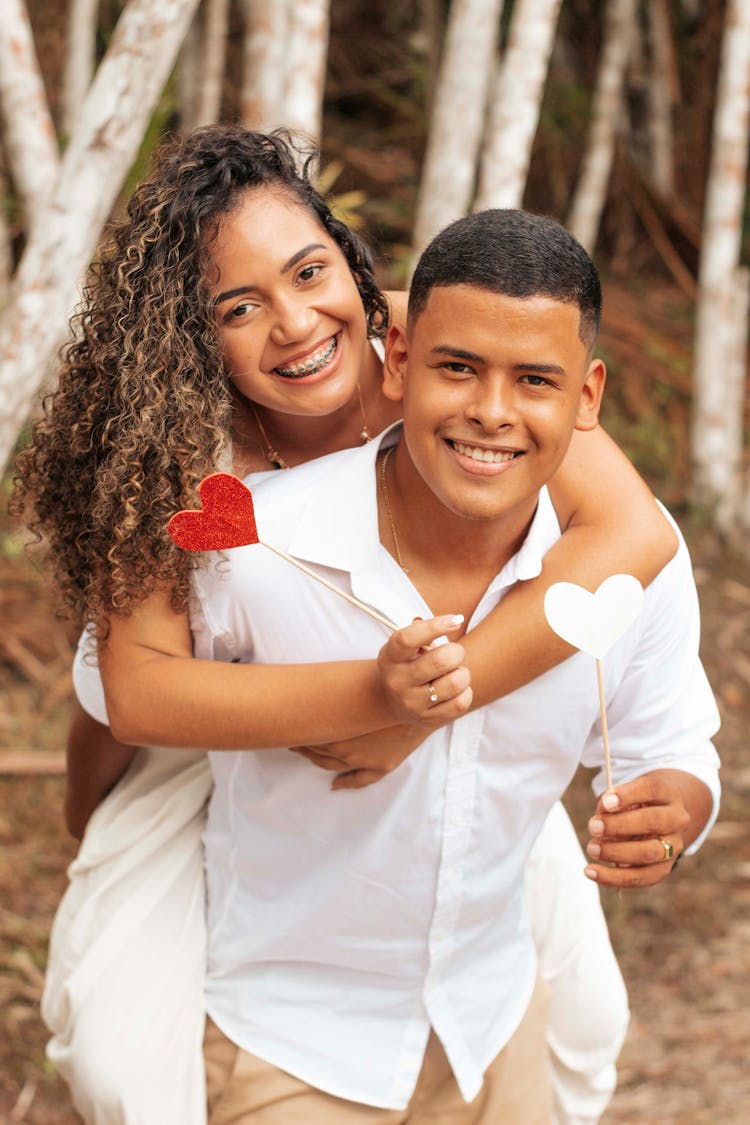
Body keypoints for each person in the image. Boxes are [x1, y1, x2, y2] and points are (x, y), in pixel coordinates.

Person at [8, 126, 692, 1122]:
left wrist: (420, 709)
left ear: (354, 265)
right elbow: (138, 691)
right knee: (121, 1057)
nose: (293, 323)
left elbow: (629, 530)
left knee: (584, 1015)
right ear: (193, 338)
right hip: (218, 734)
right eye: (239, 307)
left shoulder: (445, 353)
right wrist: (94, 823)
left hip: (446, 693)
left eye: (309, 273)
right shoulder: (183, 449)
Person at [184, 207, 720, 1121]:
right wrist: (349, 696)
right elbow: (116, 684)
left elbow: (673, 745)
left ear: (587, 397)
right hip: (292, 1046)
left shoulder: (633, 567)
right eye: (458, 367)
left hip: (492, 1023)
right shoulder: (260, 549)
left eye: (536, 380)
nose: (492, 411)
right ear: (397, 361)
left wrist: (677, 810)